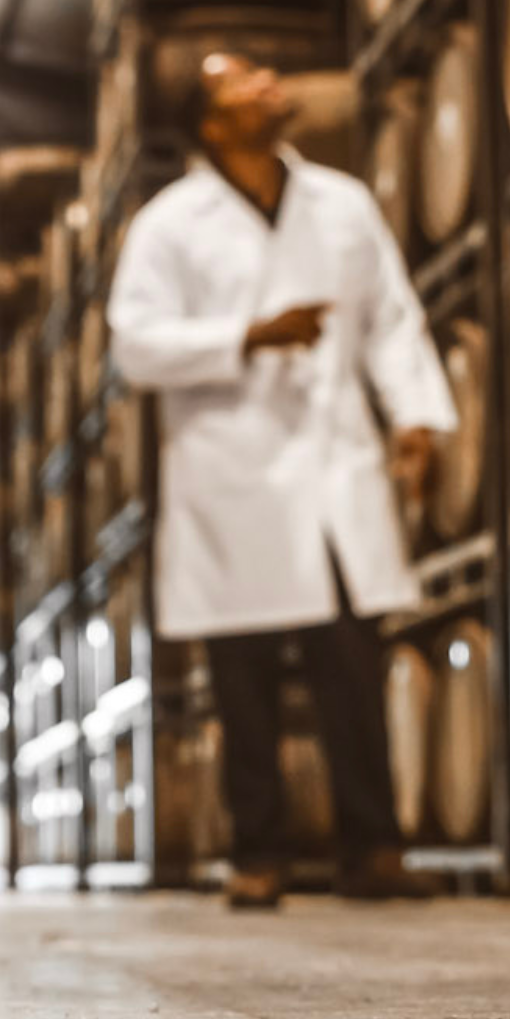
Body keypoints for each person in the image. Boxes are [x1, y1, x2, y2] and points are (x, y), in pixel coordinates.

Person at [107, 48, 455, 910]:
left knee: (352, 666)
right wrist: (247, 336)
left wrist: (415, 413)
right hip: (235, 473)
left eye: (263, 73)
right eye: (241, 82)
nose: (268, 83)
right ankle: (257, 854)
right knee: (246, 681)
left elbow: (391, 319)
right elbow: (135, 344)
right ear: (211, 123)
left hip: (333, 465)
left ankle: (373, 849)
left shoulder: (342, 203)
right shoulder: (169, 224)